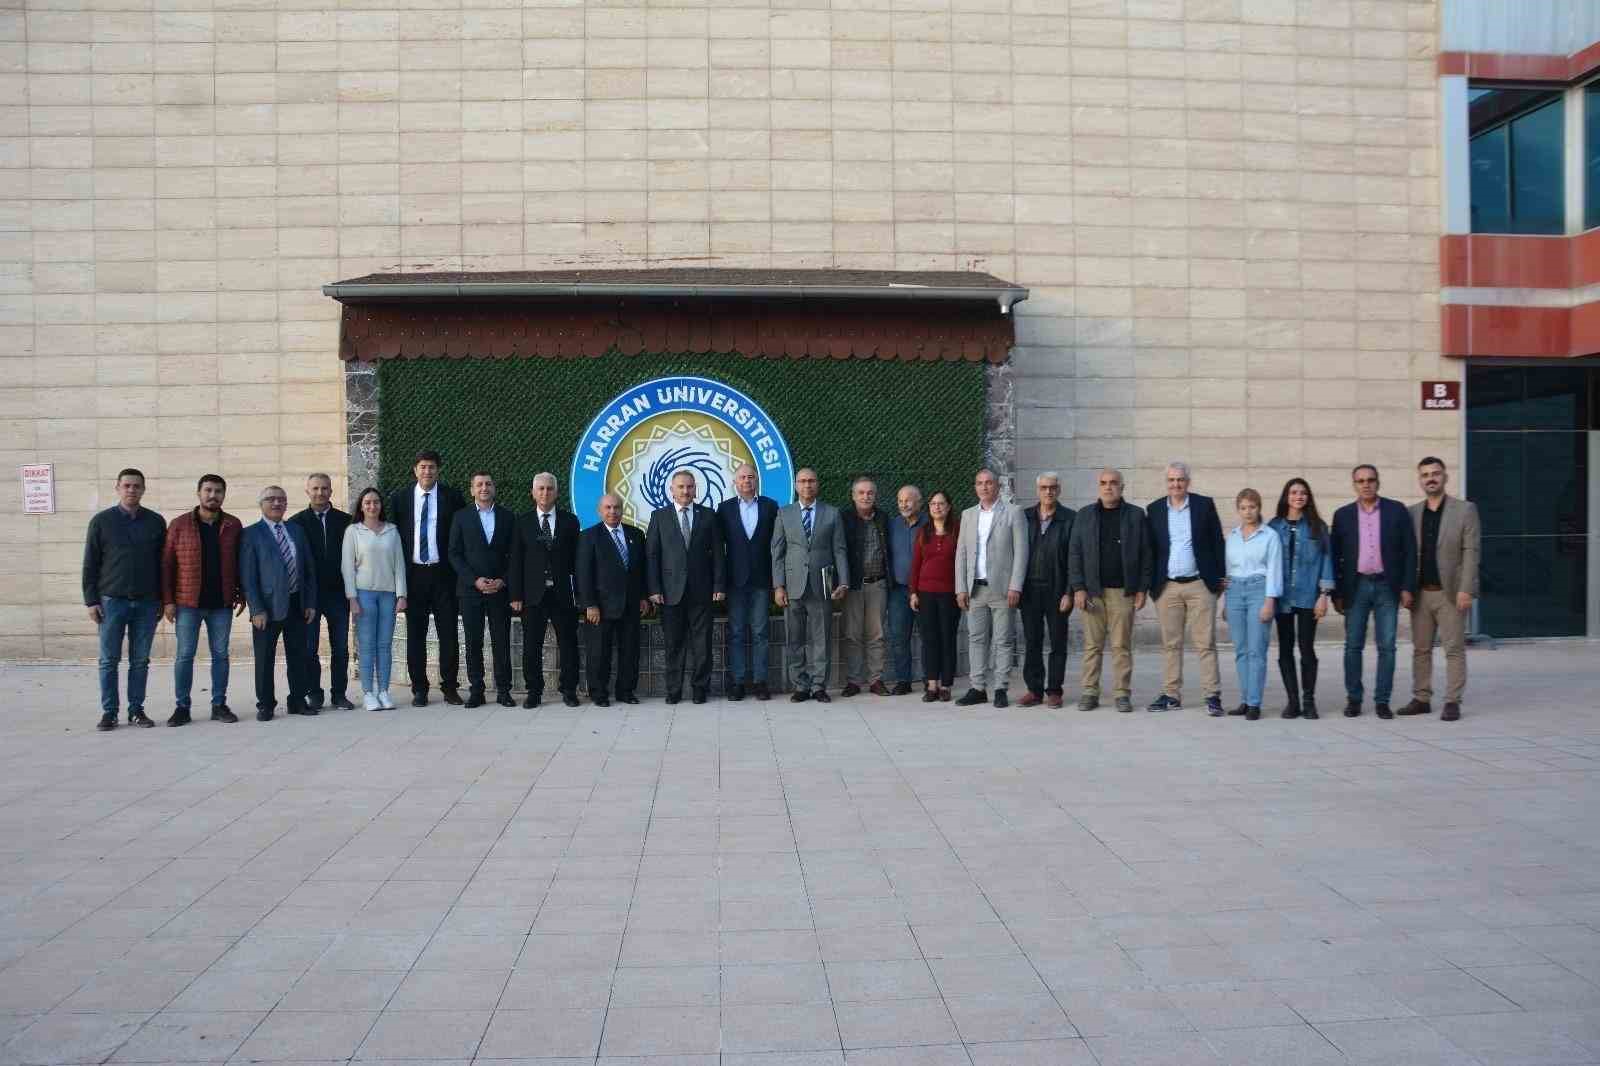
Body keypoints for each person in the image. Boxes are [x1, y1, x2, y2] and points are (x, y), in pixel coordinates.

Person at [1330, 465, 1417, 720]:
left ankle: (1382, 701)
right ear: (1354, 485)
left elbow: (1409, 551)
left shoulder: (1396, 510)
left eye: (1370, 480)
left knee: (1387, 646)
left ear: (1378, 482)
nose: (1365, 484)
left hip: (1386, 586)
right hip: (1355, 587)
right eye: (1360, 481)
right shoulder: (1343, 515)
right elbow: (1335, 557)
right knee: (1352, 646)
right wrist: (1336, 593)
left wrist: (1407, 587)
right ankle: (1354, 699)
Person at [84, 468, 168, 731]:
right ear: (117, 487)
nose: (132, 490)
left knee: (140, 660)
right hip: (112, 602)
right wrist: (91, 601)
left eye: (137, 486)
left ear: (144, 489)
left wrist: (162, 600)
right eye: (127, 485)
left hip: (146, 603)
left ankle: (136, 710)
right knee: (109, 660)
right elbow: (90, 563)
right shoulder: (101, 521)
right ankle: (109, 712)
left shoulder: (155, 522)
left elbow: (163, 565)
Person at [160, 474, 244, 726]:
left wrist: (241, 593)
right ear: (198, 493)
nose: (213, 495)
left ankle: (219, 704)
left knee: (221, 654)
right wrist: (168, 601)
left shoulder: (233, 524)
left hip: (221, 603)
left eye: (218, 491)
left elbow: (241, 562)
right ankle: (182, 707)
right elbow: (167, 565)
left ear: (224, 495)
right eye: (208, 490)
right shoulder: (179, 524)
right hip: (188, 603)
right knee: (185, 655)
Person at [1067, 468, 1153, 712]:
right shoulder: (1084, 516)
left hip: (1123, 592)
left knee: (1121, 646)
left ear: (1122, 487)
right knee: (1092, 646)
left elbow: (1147, 553)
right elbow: (1075, 554)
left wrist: (1142, 588)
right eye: (1103, 483)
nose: (1108, 487)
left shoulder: (1136, 516)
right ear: (1098, 487)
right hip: (1092, 592)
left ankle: (1122, 693)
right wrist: (1079, 588)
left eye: (1113, 483)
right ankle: (1089, 691)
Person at [1403, 457, 1480, 722]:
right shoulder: (1411, 513)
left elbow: (1471, 552)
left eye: (1435, 473)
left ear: (1445, 477)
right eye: (1425, 475)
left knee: (1454, 649)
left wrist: (1466, 588)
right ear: (1420, 480)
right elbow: (1406, 554)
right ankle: (1422, 698)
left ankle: (1452, 701)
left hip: (1451, 592)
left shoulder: (1465, 510)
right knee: (1421, 649)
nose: (1431, 478)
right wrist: (1405, 588)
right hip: (1420, 593)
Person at [1145, 461, 1226, 714]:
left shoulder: (1204, 505)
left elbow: (1217, 542)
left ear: (1187, 482)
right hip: (1167, 587)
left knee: (1205, 643)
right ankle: (1171, 695)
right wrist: (1150, 586)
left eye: (1180, 480)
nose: (1176, 484)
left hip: (1200, 585)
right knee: (1171, 644)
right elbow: (1150, 550)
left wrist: (1219, 579)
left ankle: (1212, 696)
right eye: (1171, 480)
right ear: (1166, 483)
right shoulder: (1155, 509)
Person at [388, 450, 466, 706]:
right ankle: (419, 689)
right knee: (416, 635)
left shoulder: (452, 497)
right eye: (422, 467)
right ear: (415, 470)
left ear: (438, 470)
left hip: (444, 575)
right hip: (414, 576)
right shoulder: (400, 499)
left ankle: (449, 687)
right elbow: (395, 540)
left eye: (432, 467)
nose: (427, 471)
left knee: (449, 634)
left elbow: (461, 536)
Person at [645, 470, 726, 704]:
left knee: (703, 644)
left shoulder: (708, 516)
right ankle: (674, 690)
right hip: (669, 593)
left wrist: (719, 584)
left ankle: (700, 689)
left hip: (702, 591)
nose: (685, 491)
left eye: (689, 487)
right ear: (671, 490)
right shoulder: (659, 516)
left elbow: (719, 554)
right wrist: (653, 588)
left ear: (695, 489)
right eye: (680, 487)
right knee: (673, 644)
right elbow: (652, 555)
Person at [240, 485, 319, 720]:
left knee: (298, 655)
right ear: (261, 504)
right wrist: (256, 609)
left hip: (297, 604)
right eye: (271, 499)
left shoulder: (296, 530)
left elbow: (308, 570)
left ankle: (297, 700)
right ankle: (265, 704)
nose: (276, 503)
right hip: (267, 608)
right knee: (265, 658)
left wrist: (310, 603)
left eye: (281, 500)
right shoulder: (251, 534)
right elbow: (248, 576)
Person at [954, 468, 1029, 708]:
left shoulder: (1013, 512)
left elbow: (1021, 553)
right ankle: (977, 688)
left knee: (1003, 640)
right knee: (976, 639)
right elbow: (962, 554)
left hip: (1003, 589)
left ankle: (1000, 688)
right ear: (975, 487)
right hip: (975, 589)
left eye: (989, 483)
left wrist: (1016, 585)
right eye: (979, 483)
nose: (984, 487)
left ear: (997, 486)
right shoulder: (968, 515)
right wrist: (960, 588)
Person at [772, 467, 849, 701]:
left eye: (812, 481)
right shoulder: (784, 513)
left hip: (822, 585)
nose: (807, 485)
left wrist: (843, 581)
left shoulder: (832, 513)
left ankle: (818, 686)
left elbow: (839, 549)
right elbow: (777, 552)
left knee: (821, 638)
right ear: (796, 485)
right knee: (794, 638)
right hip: (793, 586)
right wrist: (778, 586)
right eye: (803, 481)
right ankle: (801, 686)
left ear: (818, 484)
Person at [508, 472, 581, 708]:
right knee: (532, 645)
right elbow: (516, 561)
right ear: (532, 492)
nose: (545, 493)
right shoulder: (523, 522)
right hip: (532, 595)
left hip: (562, 595)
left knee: (568, 644)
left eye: (550, 489)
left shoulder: (571, 522)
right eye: (540, 489)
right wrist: (516, 595)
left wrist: (579, 594)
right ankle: (534, 691)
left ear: (557, 493)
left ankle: (569, 689)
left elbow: (577, 561)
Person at [449, 471, 516, 708]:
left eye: (488, 484)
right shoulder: (461, 517)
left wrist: (503, 580)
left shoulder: (508, 517)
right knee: (473, 641)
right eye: (479, 484)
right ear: (472, 490)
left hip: (500, 590)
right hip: (470, 591)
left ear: (494, 488)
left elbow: (515, 555)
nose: (484, 488)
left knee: (501, 641)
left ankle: (504, 690)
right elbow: (454, 554)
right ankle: (476, 690)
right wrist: (474, 580)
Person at [1268, 478, 1333, 720]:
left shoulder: (1319, 526)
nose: (1299, 496)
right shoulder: (1273, 527)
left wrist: (1324, 596)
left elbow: (1327, 561)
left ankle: (1309, 701)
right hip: (1282, 597)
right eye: (1294, 492)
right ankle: (1292, 701)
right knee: (1285, 648)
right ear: (1286, 496)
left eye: (1303, 493)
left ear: (1308, 497)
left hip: (1308, 596)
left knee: (1307, 648)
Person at [576, 493, 649, 707]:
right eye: (608, 508)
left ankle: (626, 691)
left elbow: (641, 570)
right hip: (600, 606)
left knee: (630, 651)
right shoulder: (589, 536)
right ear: (600, 511)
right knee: (599, 652)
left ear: (622, 509)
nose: (613, 512)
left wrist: (644, 596)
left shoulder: (636, 534)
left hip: (630, 604)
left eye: (616, 507)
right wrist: (589, 604)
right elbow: (584, 573)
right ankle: (599, 693)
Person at [289, 473, 354, 711]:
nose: (320, 492)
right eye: (315, 488)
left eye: (324, 488)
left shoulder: (346, 521)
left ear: (331, 492)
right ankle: (314, 692)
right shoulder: (296, 523)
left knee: (340, 648)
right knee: (309, 648)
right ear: (307, 491)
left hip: (338, 595)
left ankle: (339, 694)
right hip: (310, 597)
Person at [716, 462, 779, 701]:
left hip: (762, 580)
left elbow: (777, 545)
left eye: (751, 477)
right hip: (735, 581)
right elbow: (718, 549)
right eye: (742, 477)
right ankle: (738, 682)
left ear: (756, 481)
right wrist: (720, 583)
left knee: (761, 632)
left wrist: (777, 581)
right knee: (737, 633)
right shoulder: (724, 509)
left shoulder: (770, 507)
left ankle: (761, 682)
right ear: (735, 482)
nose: (746, 481)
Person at [1220, 489, 1283, 720]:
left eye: (1252, 507)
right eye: (1244, 507)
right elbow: (1227, 572)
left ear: (1259, 508)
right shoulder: (1233, 537)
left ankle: (1255, 702)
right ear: (1238, 510)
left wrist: (1269, 601)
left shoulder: (1270, 535)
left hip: (1259, 589)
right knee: (1241, 650)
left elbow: (1275, 570)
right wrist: (1226, 602)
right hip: (1235, 591)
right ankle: (1245, 700)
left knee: (1257, 650)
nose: (1248, 512)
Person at [343, 487, 407, 710]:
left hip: (388, 595)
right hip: (364, 594)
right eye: (368, 502)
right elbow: (347, 568)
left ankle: (384, 691)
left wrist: (402, 595)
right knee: (367, 645)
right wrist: (352, 597)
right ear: (361, 506)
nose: (372, 506)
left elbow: (399, 566)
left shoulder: (392, 531)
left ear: (381, 505)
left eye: (376, 502)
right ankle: (368, 693)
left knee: (385, 645)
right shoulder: (353, 531)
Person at [1019, 472, 1074, 708]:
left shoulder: (1070, 518)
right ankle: (1034, 689)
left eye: (1052, 487)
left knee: (1058, 642)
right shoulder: (1024, 517)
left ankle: (1054, 690)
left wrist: (1069, 592)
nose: (1048, 492)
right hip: (1030, 590)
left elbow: (1075, 558)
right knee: (1032, 641)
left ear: (1059, 490)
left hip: (1057, 590)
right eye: (1044, 488)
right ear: (1038, 490)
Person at [840, 477, 894, 697]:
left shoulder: (883, 518)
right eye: (861, 493)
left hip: (878, 584)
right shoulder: (844, 519)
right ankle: (853, 681)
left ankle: (876, 679)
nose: (866, 496)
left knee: (877, 634)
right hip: (853, 585)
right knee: (852, 634)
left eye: (870, 493)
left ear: (875, 495)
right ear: (853, 496)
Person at [909, 489, 959, 702]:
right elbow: (916, 564)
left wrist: (961, 591)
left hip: (950, 594)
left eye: (941, 503)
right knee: (929, 640)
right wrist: (913, 592)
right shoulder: (923, 532)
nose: (937, 507)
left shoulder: (958, 531)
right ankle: (932, 685)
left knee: (947, 639)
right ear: (928, 508)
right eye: (933, 504)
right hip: (926, 593)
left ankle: (946, 685)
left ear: (948, 507)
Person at [885, 485, 925, 695]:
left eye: (908, 500)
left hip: (925, 590)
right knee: (899, 637)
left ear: (919, 502)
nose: (904, 504)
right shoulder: (891, 525)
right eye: (900, 501)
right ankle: (903, 681)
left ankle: (931, 679)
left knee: (929, 637)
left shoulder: (930, 524)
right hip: (899, 591)